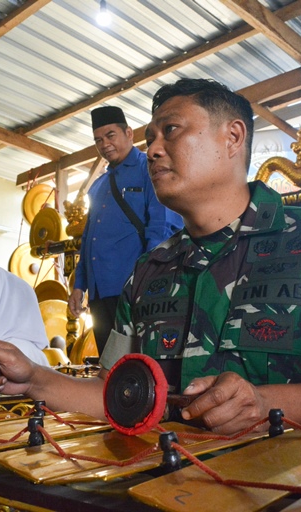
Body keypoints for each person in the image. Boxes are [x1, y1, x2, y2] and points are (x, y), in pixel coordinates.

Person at [0, 78, 301, 435]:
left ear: (233, 137)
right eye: (150, 137)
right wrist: (33, 378)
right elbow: (113, 393)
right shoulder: (150, 268)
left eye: (170, 131)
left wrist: (265, 403)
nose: (152, 150)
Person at [69, 105, 183, 355]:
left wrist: (150, 279)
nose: (105, 144)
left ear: (129, 134)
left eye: (110, 135)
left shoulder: (149, 167)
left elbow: (161, 226)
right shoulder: (97, 185)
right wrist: (79, 285)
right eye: (99, 140)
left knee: (138, 365)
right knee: (110, 367)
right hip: (100, 294)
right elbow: (88, 238)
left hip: (134, 290)